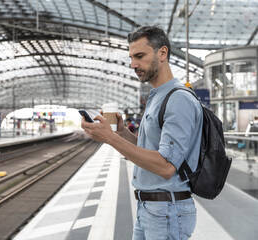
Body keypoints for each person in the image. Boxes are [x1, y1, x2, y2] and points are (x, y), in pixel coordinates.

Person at [81, 26, 203, 240]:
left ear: (162, 53)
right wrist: (120, 133)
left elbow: (165, 166)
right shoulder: (157, 97)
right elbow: (150, 151)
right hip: (151, 208)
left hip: (167, 211)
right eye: (131, 57)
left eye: (139, 56)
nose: (133, 64)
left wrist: (109, 138)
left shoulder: (178, 99)